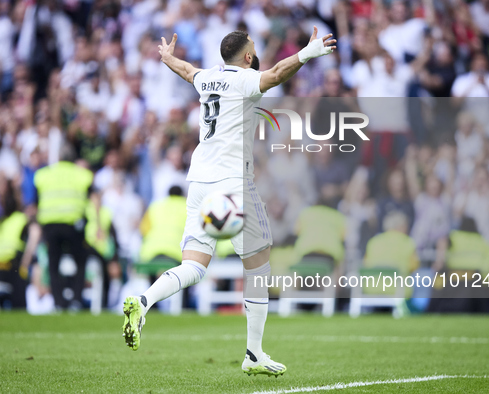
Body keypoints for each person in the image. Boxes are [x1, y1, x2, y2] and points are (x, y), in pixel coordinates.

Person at [122, 28, 336, 377]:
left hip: (199, 182)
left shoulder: (207, 78)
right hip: (232, 181)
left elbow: (187, 71)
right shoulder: (246, 80)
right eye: (253, 47)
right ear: (248, 57)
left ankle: (144, 302)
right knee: (259, 262)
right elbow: (279, 72)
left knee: (194, 265)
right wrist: (309, 53)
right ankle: (254, 353)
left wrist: (166, 58)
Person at [34, 146, 94, 311]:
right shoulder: (82, 174)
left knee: (54, 264)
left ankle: (58, 302)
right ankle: (75, 300)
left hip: (50, 225)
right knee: (80, 261)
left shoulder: (44, 174)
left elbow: (35, 200)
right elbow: (90, 197)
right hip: (72, 225)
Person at [0, 180, 41, 308]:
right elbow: (36, 233)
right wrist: (25, 262)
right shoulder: (20, 219)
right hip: (7, 268)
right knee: (22, 273)